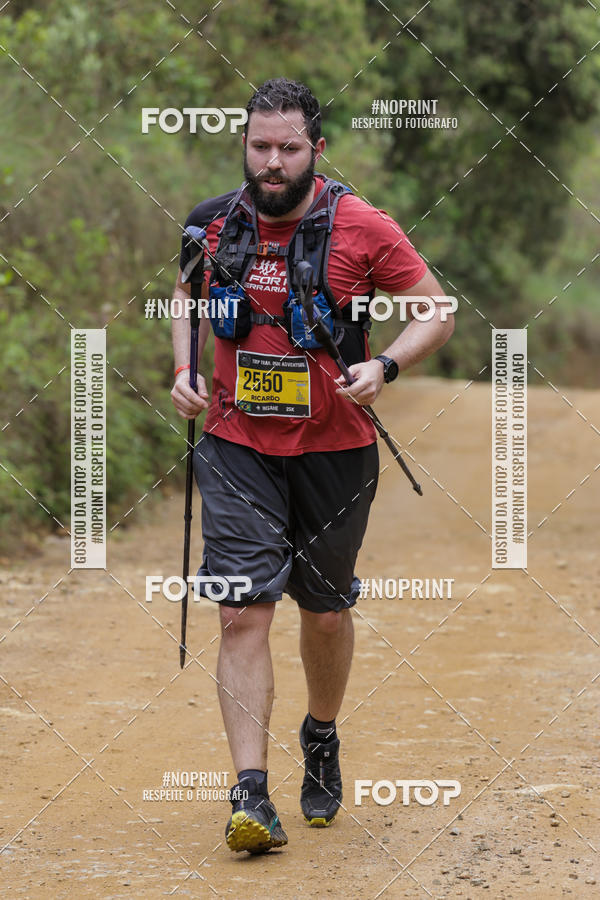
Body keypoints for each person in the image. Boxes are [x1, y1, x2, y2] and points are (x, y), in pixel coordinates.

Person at [171, 77, 454, 854]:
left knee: (324, 611)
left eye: (288, 148)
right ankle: (251, 794)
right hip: (234, 447)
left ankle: (320, 734)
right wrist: (185, 372)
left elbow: (437, 308)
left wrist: (385, 368)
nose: (272, 161)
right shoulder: (210, 224)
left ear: (315, 150)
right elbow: (185, 296)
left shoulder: (362, 227)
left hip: (335, 451)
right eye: (259, 145)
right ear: (245, 145)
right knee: (241, 608)